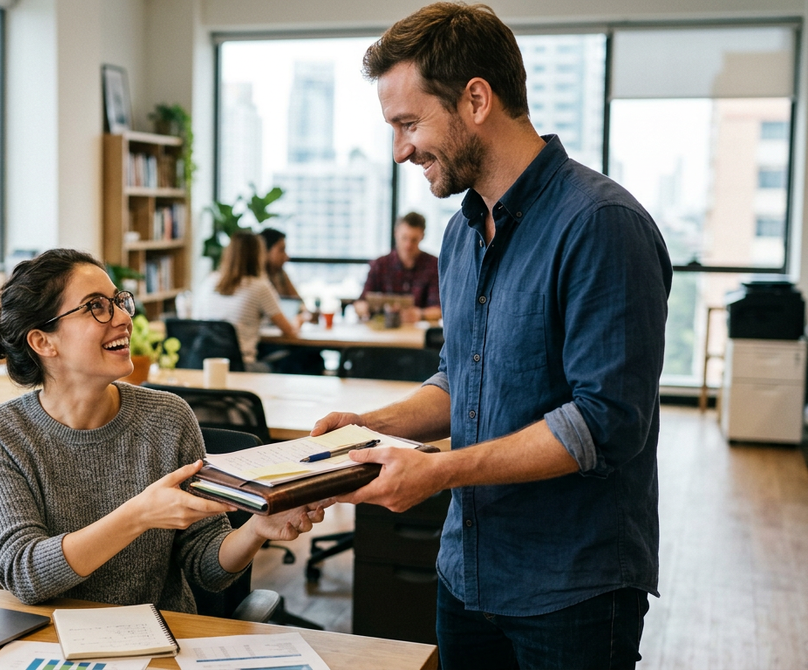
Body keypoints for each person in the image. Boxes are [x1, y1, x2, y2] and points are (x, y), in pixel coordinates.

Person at [312, 5, 672, 668]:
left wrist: (436, 471)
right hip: (468, 571)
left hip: (572, 590)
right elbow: (462, 377)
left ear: (476, 98)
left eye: (409, 123)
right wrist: (369, 426)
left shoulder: (602, 225)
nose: (400, 151)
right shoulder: (461, 232)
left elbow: (606, 422)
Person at [0, 248, 325, 612]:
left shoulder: (167, 417)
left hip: (161, 635)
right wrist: (139, 515)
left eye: (119, 301)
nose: (123, 317)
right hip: (48, 642)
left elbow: (208, 569)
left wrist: (255, 529)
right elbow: (24, 575)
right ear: (43, 341)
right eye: (96, 306)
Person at [195, 231, 298, 371]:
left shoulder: (209, 281)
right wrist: (300, 319)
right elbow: (289, 331)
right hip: (241, 367)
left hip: (203, 364)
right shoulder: (259, 286)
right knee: (294, 362)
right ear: (258, 255)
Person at [354, 212, 441, 322]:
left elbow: (439, 309)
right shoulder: (379, 264)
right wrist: (363, 308)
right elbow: (360, 302)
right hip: (381, 334)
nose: (408, 245)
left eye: (414, 239)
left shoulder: (433, 265)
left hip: (416, 334)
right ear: (396, 234)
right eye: (404, 238)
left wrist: (419, 314)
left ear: (422, 237)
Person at [258, 227, 300, 300]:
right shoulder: (257, 278)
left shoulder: (280, 274)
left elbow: (298, 301)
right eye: (281, 250)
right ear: (265, 251)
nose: (286, 257)